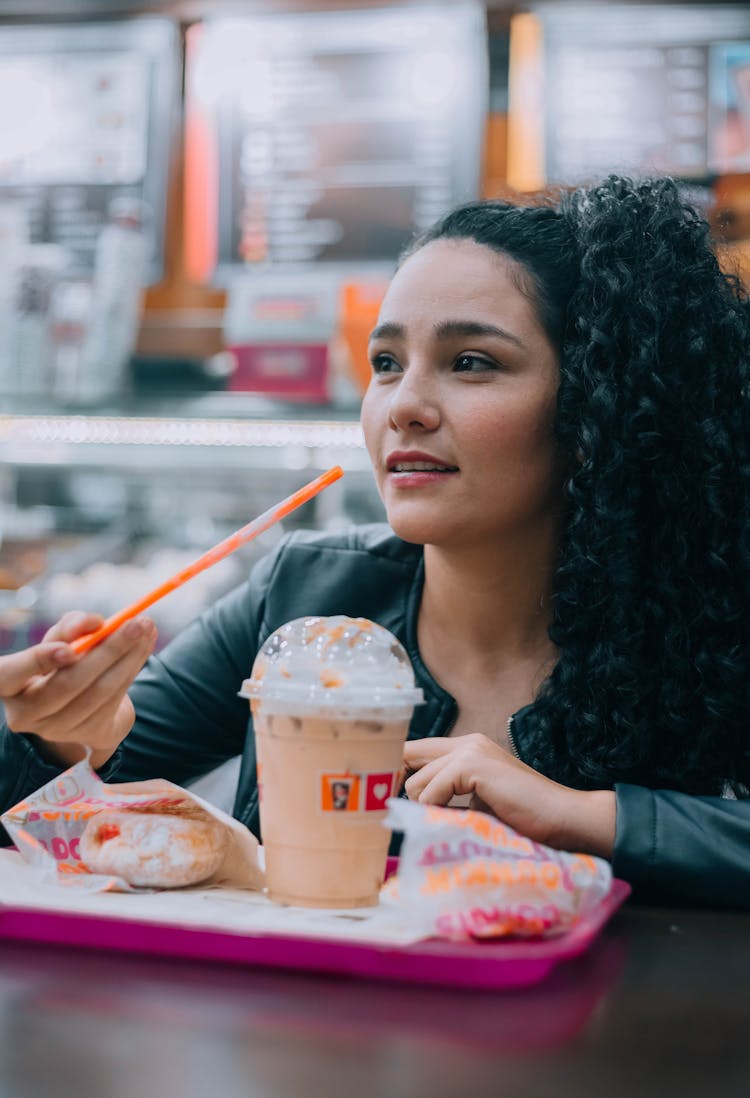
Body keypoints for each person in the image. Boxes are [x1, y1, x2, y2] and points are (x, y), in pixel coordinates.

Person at [2, 175, 750, 907]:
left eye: (471, 363)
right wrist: (64, 742)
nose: (405, 407)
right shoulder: (307, 595)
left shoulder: (703, 616)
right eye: (387, 363)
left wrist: (576, 813)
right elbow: (52, 816)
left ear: (595, 410)